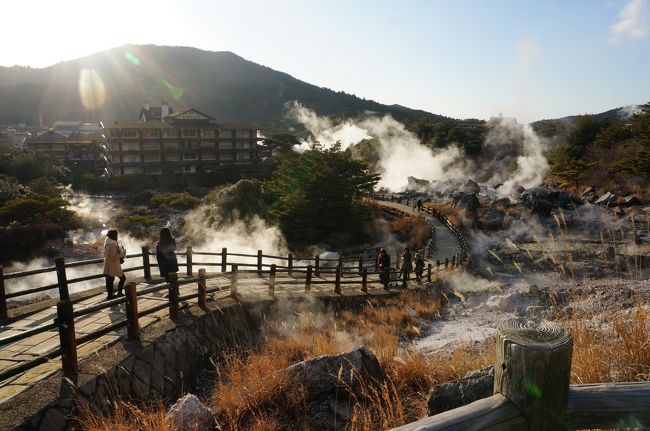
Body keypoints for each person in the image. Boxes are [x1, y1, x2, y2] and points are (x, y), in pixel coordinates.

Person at [103, 229, 126, 300]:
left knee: (110, 279)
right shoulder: (113, 244)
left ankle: (110, 295)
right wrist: (122, 254)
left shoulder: (107, 243)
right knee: (123, 278)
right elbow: (113, 257)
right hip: (113, 265)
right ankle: (119, 293)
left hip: (109, 264)